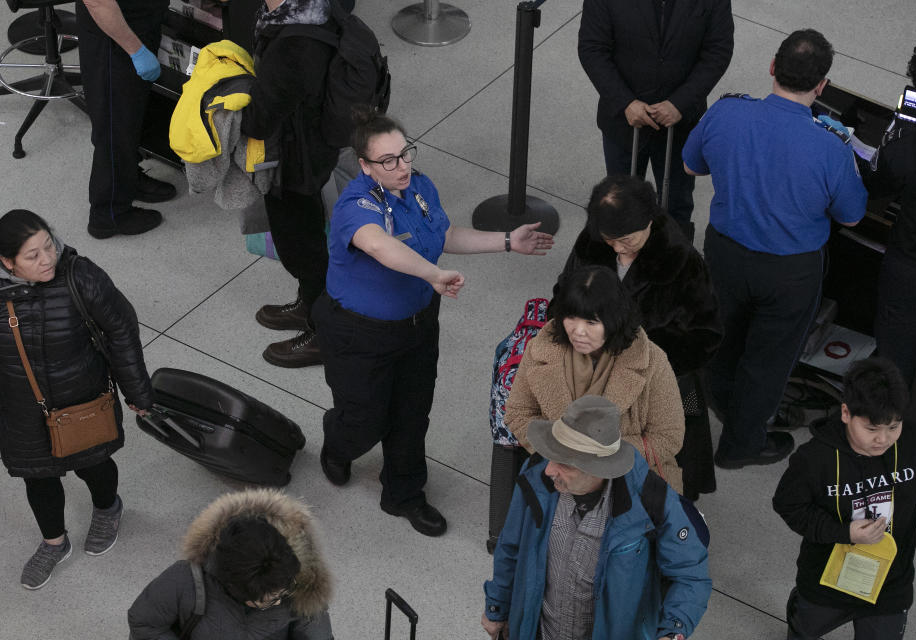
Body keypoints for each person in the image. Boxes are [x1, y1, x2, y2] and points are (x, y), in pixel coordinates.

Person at [312, 110, 554, 537]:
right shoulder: (356, 205)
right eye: (387, 160)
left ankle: (404, 494)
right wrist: (432, 274)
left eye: (404, 153)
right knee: (363, 421)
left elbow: (443, 234)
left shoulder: (418, 186)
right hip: (359, 333)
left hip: (418, 324)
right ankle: (338, 442)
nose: (401, 165)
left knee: (412, 413)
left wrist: (505, 242)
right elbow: (382, 247)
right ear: (365, 166)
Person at [682, 29, 868, 469]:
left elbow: (692, 164)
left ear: (771, 67)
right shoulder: (830, 145)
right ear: (821, 85)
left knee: (722, 340)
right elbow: (852, 217)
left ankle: (722, 406)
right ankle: (741, 446)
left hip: (725, 255)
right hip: (791, 274)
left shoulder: (726, 112)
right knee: (768, 361)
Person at [0, 209, 153, 589]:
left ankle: (108, 508)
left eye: (48, 246)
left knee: (94, 465)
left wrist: (137, 390)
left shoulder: (80, 276)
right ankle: (53, 542)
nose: (47, 259)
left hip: (82, 398)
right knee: (38, 479)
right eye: (33, 255)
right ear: (8, 262)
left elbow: (121, 332)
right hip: (22, 410)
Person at [482, 395, 712, 640]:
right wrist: (497, 607)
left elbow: (691, 576)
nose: (549, 470)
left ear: (600, 469)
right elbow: (511, 546)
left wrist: (673, 631)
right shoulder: (536, 475)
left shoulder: (652, 501)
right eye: (552, 457)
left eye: (564, 464)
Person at [557, 174, 722, 498]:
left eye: (627, 240)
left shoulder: (682, 262)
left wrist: (645, 362)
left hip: (660, 385)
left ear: (650, 219)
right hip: (590, 375)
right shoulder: (593, 243)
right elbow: (564, 294)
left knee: (663, 461)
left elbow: (706, 335)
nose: (618, 248)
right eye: (611, 240)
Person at [773, 358, 916, 640]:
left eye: (893, 427)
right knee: (803, 631)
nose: (883, 439)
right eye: (872, 429)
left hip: (890, 584)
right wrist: (843, 532)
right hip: (826, 580)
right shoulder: (814, 459)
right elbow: (788, 505)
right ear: (846, 413)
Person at [508, 265, 686, 492]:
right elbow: (518, 413)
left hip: (629, 479)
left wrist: (601, 462)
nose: (578, 331)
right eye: (571, 317)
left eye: (591, 322)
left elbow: (668, 436)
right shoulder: (539, 350)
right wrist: (561, 456)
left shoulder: (652, 361)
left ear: (614, 321)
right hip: (559, 474)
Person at [577, 0, 734, 238]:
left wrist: (680, 103)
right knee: (621, 204)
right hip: (624, 123)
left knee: (677, 206)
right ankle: (622, 265)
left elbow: (717, 51)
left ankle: (674, 265)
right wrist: (625, 103)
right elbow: (592, 49)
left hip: (679, 124)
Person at [242, 0, 341, 369]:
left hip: (293, 162)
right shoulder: (311, 13)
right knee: (308, 233)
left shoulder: (293, 43)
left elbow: (258, 121)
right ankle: (308, 303)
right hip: (310, 148)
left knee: (302, 247)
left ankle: (322, 333)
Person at [129, 488, 334, 639]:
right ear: (235, 589)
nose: (279, 602)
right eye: (269, 600)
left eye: (282, 593)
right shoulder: (184, 582)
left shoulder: (300, 588)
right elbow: (145, 624)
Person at [858, 38, 916, 435]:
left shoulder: (911, 139)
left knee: (894, 363)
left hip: (908, 266)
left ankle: (886, 440)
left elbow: (877, 184)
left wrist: (901, 129)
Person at [77, 0, 176, 239]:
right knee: (115, 123)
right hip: (114, 36)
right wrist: (136, 50)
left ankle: (128, 178)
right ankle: (109, 213)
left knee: (131, 114)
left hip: (139, 20)